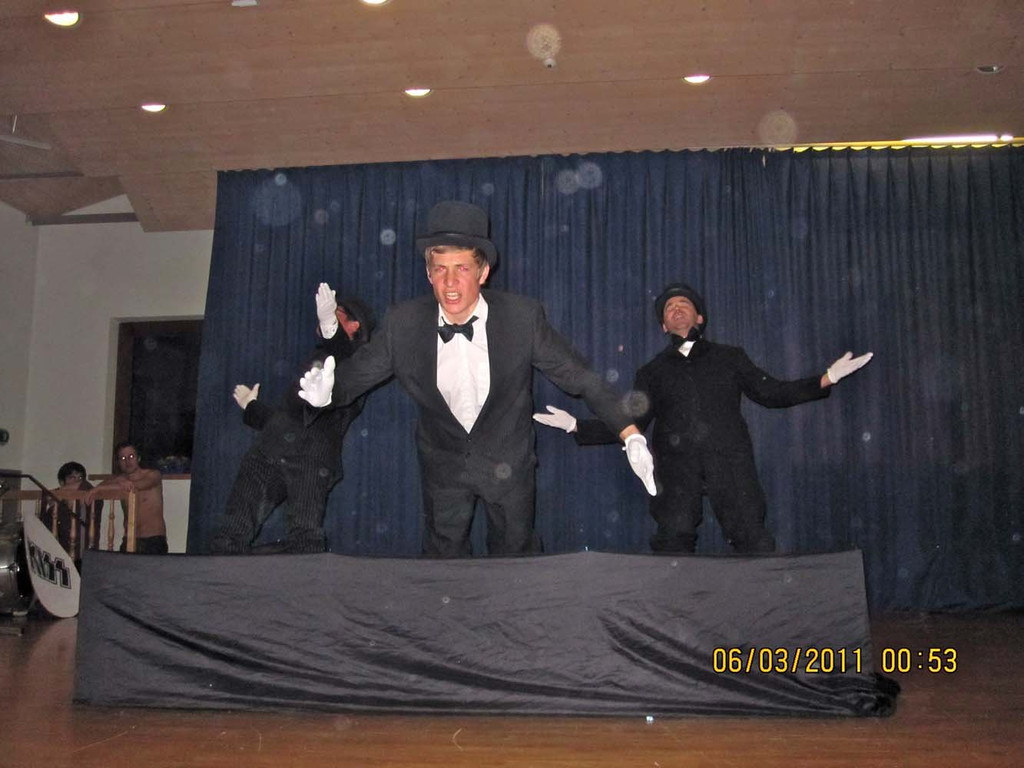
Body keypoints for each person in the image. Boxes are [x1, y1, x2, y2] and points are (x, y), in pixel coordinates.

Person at [297, 200, 655, 557]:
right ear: (428, 274)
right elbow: (353, 377)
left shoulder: (521, 318)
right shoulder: (403, 324)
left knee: (516, 562)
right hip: (442, 467)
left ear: (483, 272)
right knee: (442, 564)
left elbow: (583, 378)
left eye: (462, 268)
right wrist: (327, 394)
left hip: (509, 465)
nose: (450, 282)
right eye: (440, 269)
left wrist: (630, 434)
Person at [533, 282, 872, 554]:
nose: (676, 307)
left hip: (731, 462)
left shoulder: (730, 357)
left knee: (752, 537)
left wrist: (825, 378)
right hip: (675, 468)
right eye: (669, 307)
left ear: (699, 318)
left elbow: (771, 392)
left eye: (684, 303)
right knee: (673, 540)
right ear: (664, 325)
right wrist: (577, 426)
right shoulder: (652, 371)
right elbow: (631, 421)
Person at [209, 289, 376, 554]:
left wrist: (330, 326)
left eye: (336, 312)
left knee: (304, 541)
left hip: (312, 459)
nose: (325, 315)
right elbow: (292, 419)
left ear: (354, 325)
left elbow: (341, 350)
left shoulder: (358, 363)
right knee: (229, 535)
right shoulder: (316, 359)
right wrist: (252, 408)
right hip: (270, 449)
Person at [88, 442, 168, 554]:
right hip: (129, 538)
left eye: (131, 456)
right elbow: (101, 487)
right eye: (123, 458)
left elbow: (135, 486)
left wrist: (112, 484)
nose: (127, 461)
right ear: (118, 462)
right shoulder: (119, 480)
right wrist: (118, 481)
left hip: (153, 540)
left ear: (138, 458)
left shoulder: (153, 475)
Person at [41, 461, 101, 563]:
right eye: (72, 477)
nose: (77, 481)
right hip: (61, 559)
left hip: (86, 559)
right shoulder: (54, 509)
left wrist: (58, 491)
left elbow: (86, 485)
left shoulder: (89, 499)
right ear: (62, 482)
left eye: (80, 477)